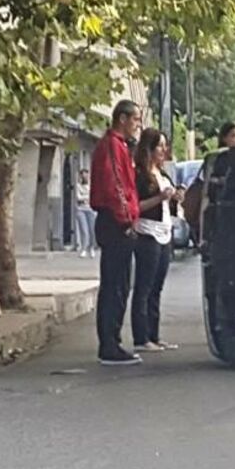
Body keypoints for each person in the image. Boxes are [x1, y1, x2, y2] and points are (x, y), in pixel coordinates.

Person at [91, 99, 144, 366]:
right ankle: (109, 344)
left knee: (121, 284)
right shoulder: (112, 145)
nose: (137, 125)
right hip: (115, 221)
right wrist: (126, 220)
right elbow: (116, 186)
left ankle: (113, 339)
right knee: (114, 285)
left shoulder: (122, 146)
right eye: (135, 119)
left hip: (120, 220)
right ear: (122, 119)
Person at [132, 129, 182, 353]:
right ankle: (141, 337)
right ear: (149, 149)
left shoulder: (162, 174)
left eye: (164, 146)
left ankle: (154, 334)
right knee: (144, 286)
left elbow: (168, 203)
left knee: (157, 288)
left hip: (164, 232)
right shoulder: (141, 175)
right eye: (159, 146)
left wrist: (175, 197)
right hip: (147, 232)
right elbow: (137, 206)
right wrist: (160, 197)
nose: (163, 150)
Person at [75, 168, 97, 258]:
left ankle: (91, 248)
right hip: (81, 210)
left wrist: (84, 197)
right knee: (84, 230)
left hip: (91, 209)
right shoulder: (78, 186)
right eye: (82, 175)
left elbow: (93, 195)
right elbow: (78, 197)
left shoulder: (92, 185)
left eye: (86, 175)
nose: (84, 177)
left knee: (92, 230)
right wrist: (87, 197)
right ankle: (84, 248)